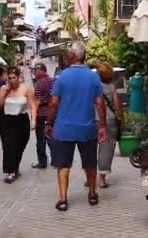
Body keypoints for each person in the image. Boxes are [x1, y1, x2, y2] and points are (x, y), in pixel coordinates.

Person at [46, 41, 107, 211]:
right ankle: (92, 194)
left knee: (63, 165)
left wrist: (48, 122)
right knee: (90, 164)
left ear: (71, 56)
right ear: (84, 57)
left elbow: (53, 103)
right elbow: (100, 104)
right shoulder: (93, 77)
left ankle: (63, 199)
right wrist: (102, 126)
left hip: (63, 129)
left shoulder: (62, 77)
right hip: (87, 129)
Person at [0, 67, 38, 183]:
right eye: (10, 78)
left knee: (19, 146)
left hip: (21, 120)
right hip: (7, 120)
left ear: (19, 77)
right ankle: (10, 171)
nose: (12, 80)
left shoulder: (26, 89)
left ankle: (15, 166)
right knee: (8, 146)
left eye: (14, 78)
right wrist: (4, 93)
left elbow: (33, 105)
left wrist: (33, 120)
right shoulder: (4, 89)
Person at [94, 62, 123, 188]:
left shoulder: (93, 86)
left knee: (89, 149)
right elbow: (117, 106)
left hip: (92, 120)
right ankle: (101, 179)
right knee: (106, 149)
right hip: (108, 121)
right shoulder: (111, 88)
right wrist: (121, 118)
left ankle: (89, 177)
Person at [31, 62, 54, 169]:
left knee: (40, 139)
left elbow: (37, 102)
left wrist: (33, 117)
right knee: (51, 137)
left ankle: (42, 162)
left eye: (35, 70)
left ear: (41, 71)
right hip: (52, 113)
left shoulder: (39, 83)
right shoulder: (52, 80)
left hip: (42, 114)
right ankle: (56, 159)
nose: (34, 73)